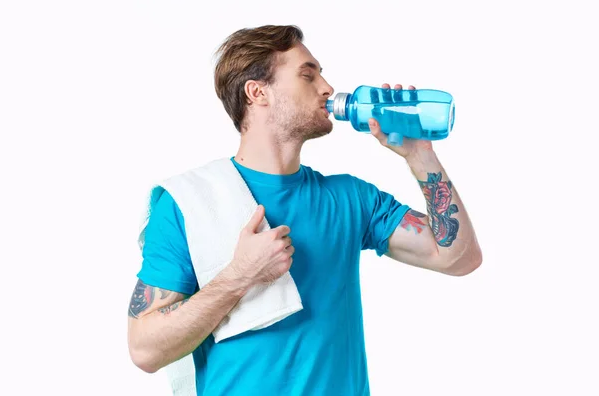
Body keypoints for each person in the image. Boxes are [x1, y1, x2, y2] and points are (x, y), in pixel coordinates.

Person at [127, 24, 483, 396]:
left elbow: (458, 258)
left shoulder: (351, 199)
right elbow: (144, 349)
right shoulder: (189, 203)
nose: (327, 88)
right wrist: (239, 275)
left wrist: (419, 154)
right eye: (307, 75)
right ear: (257, 92)